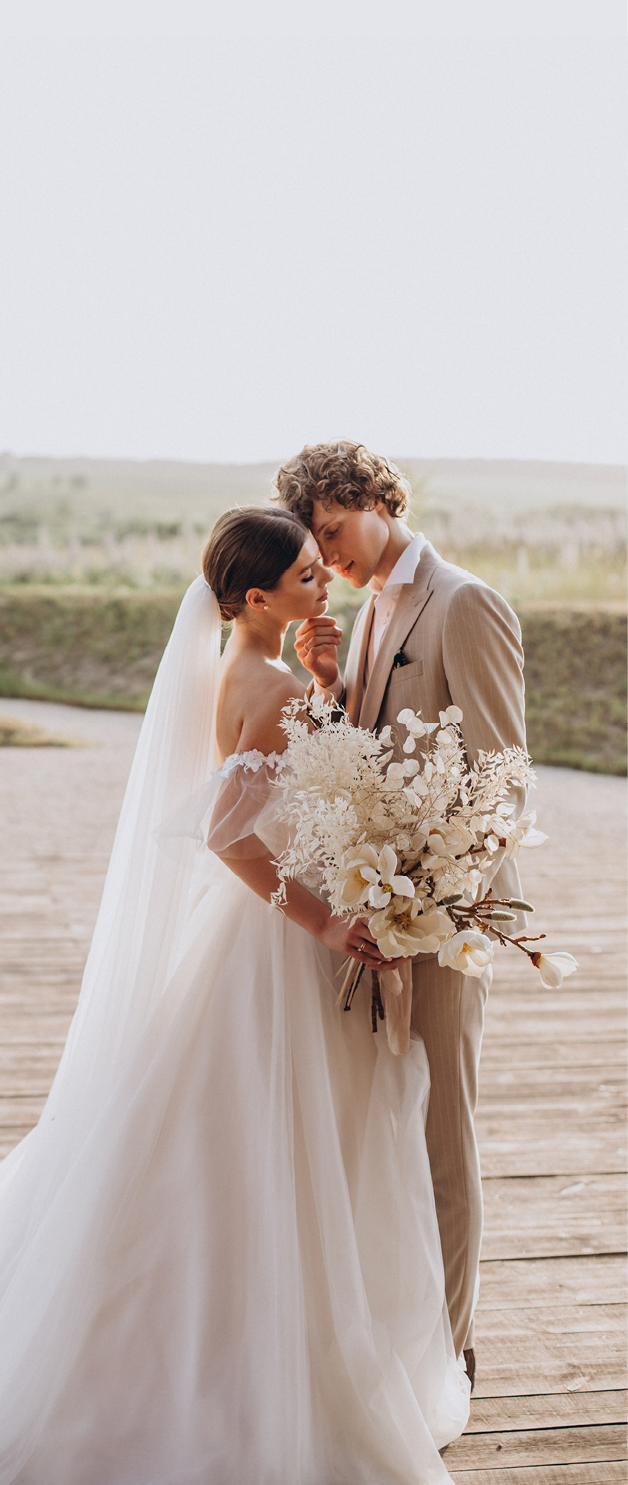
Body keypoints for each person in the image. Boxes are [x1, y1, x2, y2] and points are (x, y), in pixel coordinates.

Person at [0, 505, 470, 1485]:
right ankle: (251, 1365)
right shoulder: (265, 688)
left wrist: (327, 684)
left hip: (252, 946)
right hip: (277, 954)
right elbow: (226, 833)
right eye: (305, 576)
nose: (324, 584)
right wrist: (331, 924)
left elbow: (279, 784)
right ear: (256, 598)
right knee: (272, 1150)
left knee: (252, 1145)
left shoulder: (253, 673)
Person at [275, 441, 528, 1387]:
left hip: (449, 925)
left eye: (334, 533)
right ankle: (403, 1336)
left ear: (372, 497)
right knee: (391, 1128)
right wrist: (328, 687)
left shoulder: (463, 602)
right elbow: (368, 760)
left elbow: (505, 786)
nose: (328, 558)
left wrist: (437, 905)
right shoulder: (370, 605)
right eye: (317, 545)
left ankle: (452, 1353)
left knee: (441, 1136)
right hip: (381, 923)